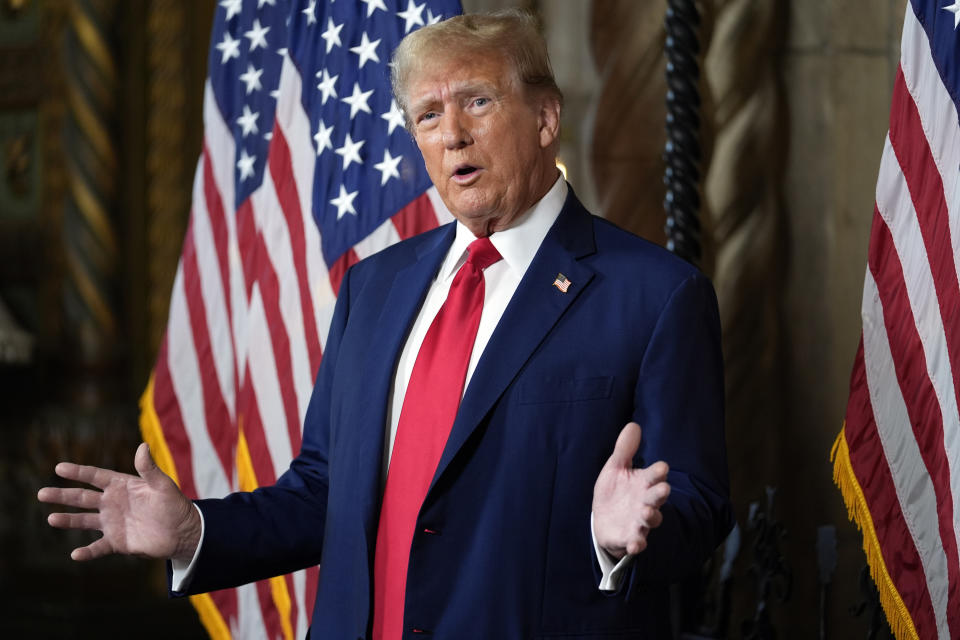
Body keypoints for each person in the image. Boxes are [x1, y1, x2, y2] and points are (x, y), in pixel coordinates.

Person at [38, 10, 732, 639]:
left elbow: (698, 507)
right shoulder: (376, 287)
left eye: (478, 102)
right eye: (427, 116)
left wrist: (616, 536)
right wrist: (196, 530)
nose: (452, 132)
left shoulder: (655, 294)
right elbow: (323, 492)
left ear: (546, 117)